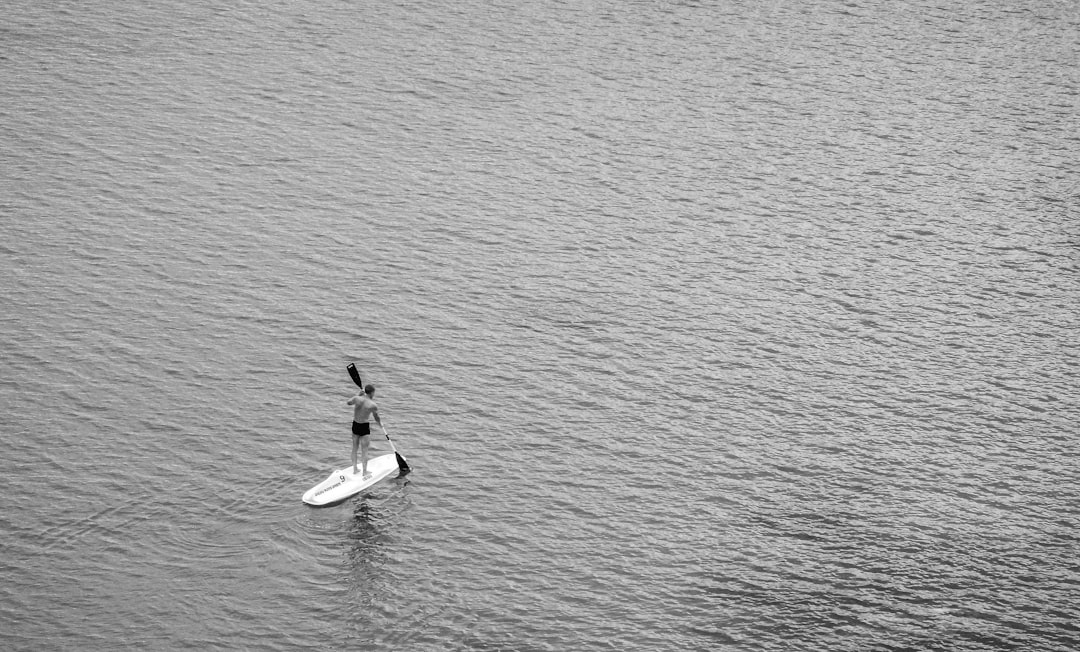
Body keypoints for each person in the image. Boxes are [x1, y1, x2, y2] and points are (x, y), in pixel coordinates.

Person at [347, 384, 382, 478]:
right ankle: (364, 472)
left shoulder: (357, 398)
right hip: (364, 426)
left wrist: (358, 395)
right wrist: (380, 424)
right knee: (364, 450)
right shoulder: (373, 405)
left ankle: (355, 469)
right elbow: (376, 417)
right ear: (371, 393)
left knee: (354, 448)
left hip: (355, 424)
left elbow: (348, 403)